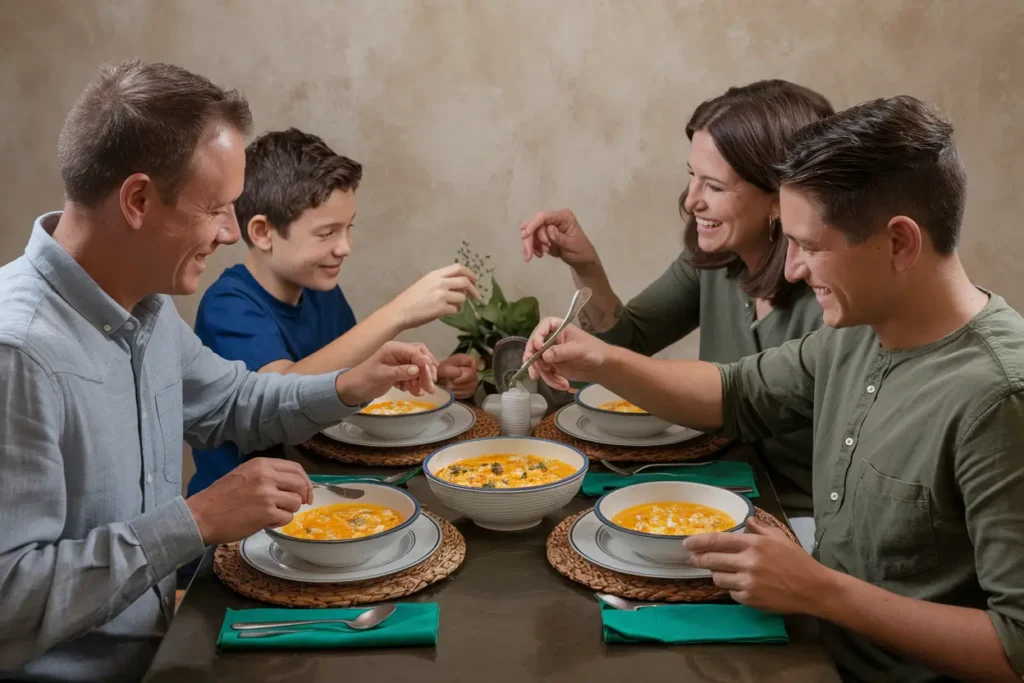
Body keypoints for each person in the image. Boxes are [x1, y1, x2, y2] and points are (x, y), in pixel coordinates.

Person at [522, 95, 1024, 682]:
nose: (791, 271)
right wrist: (601, 359)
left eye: (810, 247)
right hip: (815, 644)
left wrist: (821, 592)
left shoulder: (999, 398)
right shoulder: (861, 329)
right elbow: (733, 391)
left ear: (899, 244)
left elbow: (1015, 649)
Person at [0, 60, 440, 682]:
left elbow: (233, 402)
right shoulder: (17, 351)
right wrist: (199, 519)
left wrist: (353, 384)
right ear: (138, 199)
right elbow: (8, 603)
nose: (232, 233)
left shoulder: (144, 305)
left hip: (163, 649)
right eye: (217, 209)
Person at [519, 80, 834, 545]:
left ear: (778, 197)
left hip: (800, 521)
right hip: (721, 490)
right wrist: (586, 267)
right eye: (692, 176)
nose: (691, 201)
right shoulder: (716, 259)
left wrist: (601, 359)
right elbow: (627, 341)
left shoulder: (833, 297)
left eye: (714, 185)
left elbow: (735, 397)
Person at [187, 128, 480, 496]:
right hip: (244, 517)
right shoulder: (228, 307)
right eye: (327, 233)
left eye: (348, 228)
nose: (345, 247)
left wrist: (427, 373)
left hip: (325, 488)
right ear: (263, 232)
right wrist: (399, 312)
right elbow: (282, 395)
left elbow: (354, 375)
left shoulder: (319, 289)